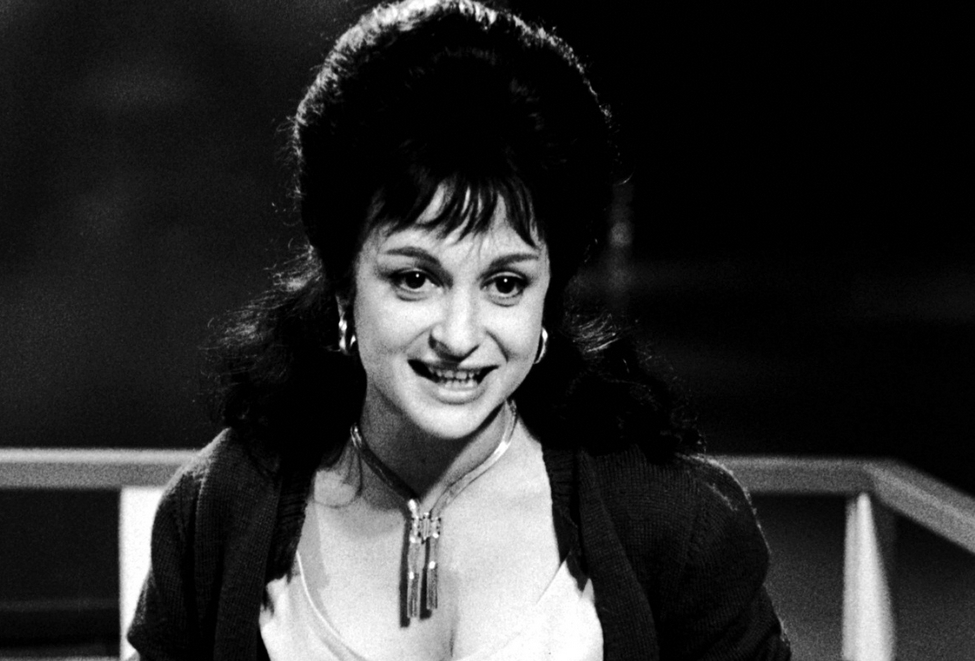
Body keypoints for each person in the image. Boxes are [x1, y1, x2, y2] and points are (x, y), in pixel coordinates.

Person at [127, 1, 791, 659]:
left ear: (549, 292)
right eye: (416, 278)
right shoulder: (219, 509)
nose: (459, 335)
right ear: (341, 279)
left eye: (505, 283)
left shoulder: (676, 522)